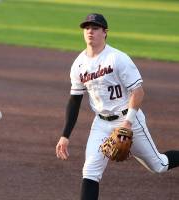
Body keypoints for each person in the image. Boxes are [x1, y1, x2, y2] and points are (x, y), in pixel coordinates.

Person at [55, 13, 179, 200]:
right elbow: (74, 100)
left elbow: (138, 92)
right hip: (101, 123)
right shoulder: (78, 64)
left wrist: (127, 123)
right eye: (87, 28)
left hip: (128, 119)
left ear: (105, 32)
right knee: (90, 171)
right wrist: (65, 135)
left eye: (95, 28)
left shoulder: (117, 58)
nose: (90, 31)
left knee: (158, 165)